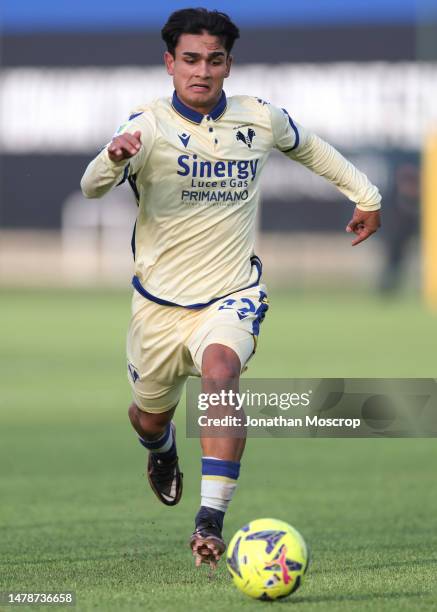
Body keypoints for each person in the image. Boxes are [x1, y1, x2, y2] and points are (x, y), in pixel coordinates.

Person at [80, 8, 381, 569]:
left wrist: (367, 196)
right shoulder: (146, 125)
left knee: (221, 370)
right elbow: (92, 187)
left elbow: (311, 147)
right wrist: (111, 157)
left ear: (228, 65)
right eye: (190, 59)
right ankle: (161, 451)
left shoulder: (259, 118)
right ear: (170, 63)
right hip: (157, 308)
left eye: (213, 60)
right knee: (148, 417)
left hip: (231, 295)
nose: (202, 71)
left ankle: (210, 522)